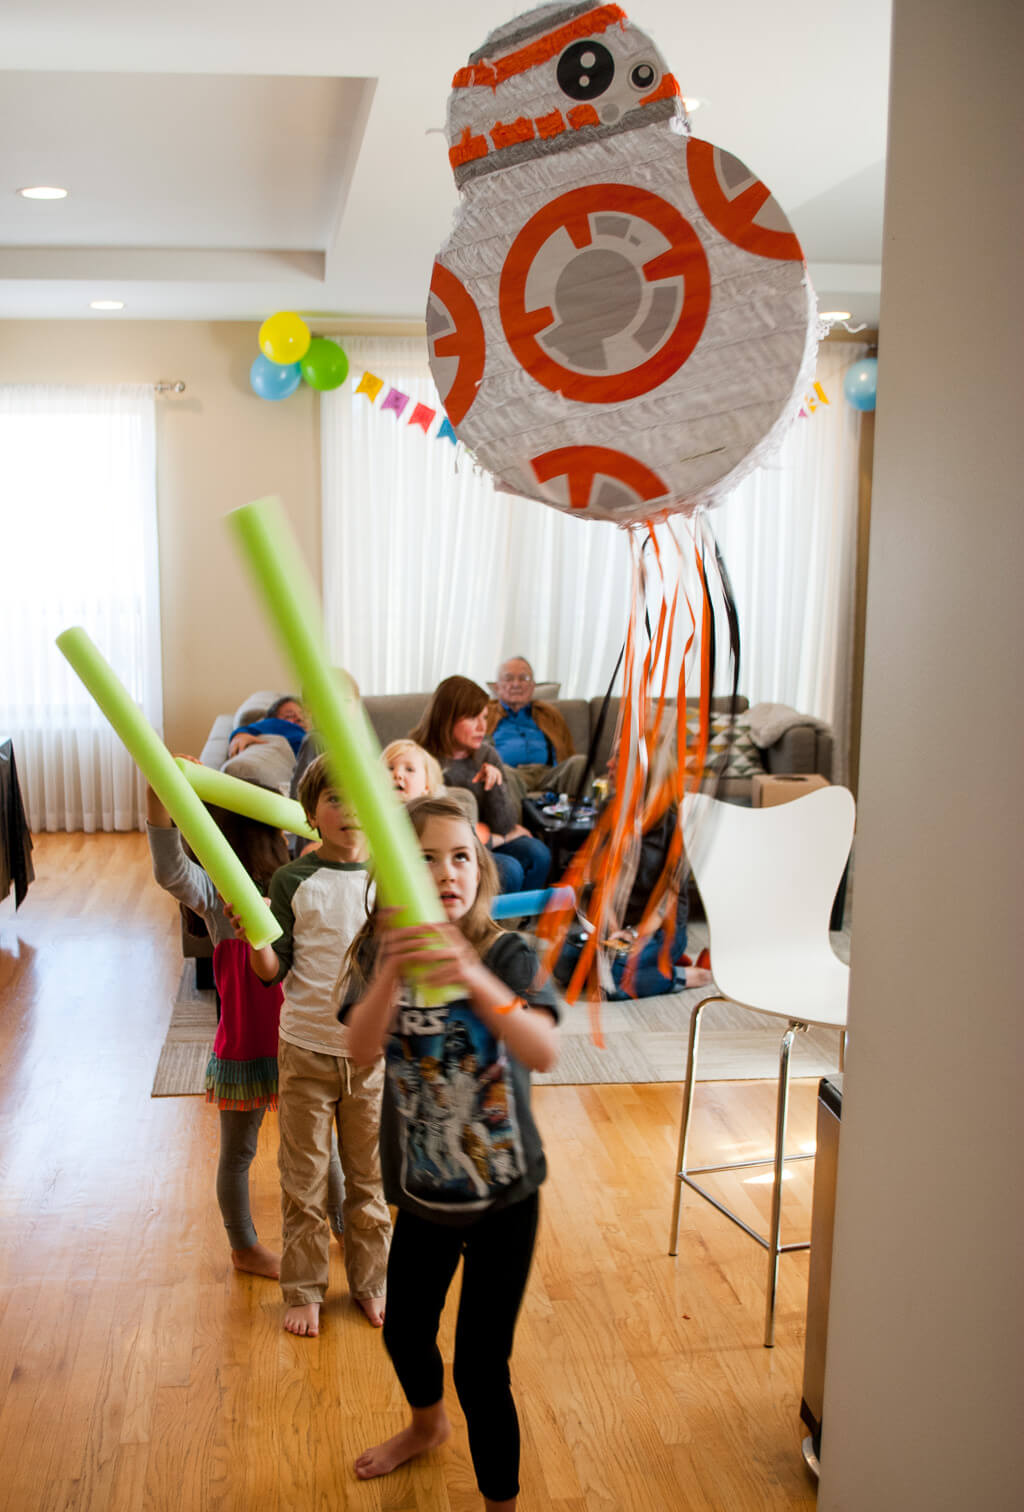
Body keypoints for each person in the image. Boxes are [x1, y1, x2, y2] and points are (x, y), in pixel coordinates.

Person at [338, 795, 560, 1508]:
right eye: (424, 856)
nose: (446, 870)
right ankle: (426, 1427)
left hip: (504, 1199)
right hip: (425, 1196)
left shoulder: (506, 952)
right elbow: (359, 1049)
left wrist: (468, 974)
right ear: (394, 871)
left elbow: (545, 1049)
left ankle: (502, 1503)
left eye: (460, 855)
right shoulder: (381, 951)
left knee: (481, 1369)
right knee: (404, 1334)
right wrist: (393, 977)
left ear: (481, 869)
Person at [145, 774, 345, 1279]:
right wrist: (163, 782)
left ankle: (344, 1226)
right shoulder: (219, 896)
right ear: (272, 831)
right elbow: (171, 871)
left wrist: (161, 787)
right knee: (248, 1152)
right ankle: (246, 1249)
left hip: (303, 1042)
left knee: (321, 1149)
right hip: (249, 1050)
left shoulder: (302, 880)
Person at [242, 753, 390, 1336]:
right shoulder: (293, 879)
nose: (349, 810)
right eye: (334, 799)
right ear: (311, 813)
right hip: (304, 1050)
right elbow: (274, 971)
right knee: (302, 1179)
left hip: (370, 1056)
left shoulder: (391, 878)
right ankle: (303, 1288)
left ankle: (371, 1282)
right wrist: (256, 939)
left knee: (369, 1180)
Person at [410, 676, 551, 894]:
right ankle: (485, 925)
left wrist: (496, 786)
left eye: (484, 717)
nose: (482, 727)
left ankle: (514, 921)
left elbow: (504, 824)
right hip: (448, 851)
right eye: (472, 718)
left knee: (538, 853)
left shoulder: (487, 754)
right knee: (509, 869)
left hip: (485, 842)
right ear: (448, 718)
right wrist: (502, 838)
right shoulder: (417, 757)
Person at [485, 657, 586, 802]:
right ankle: (512, 825)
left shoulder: (549, 714)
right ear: (497, 687)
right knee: (504, 773)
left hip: (547, 774)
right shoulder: (486, 714)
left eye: (523, 678)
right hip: (511, 773)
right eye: (508, 679)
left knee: (580, 762)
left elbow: (566, 750)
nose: (516, 684)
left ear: (532, 686)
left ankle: (585, 822)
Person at [228, 694, 309, 759]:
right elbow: (246, 731)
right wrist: (239, 736)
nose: (299, 718)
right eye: (289, 715)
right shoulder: (276, 724)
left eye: (302, 714)